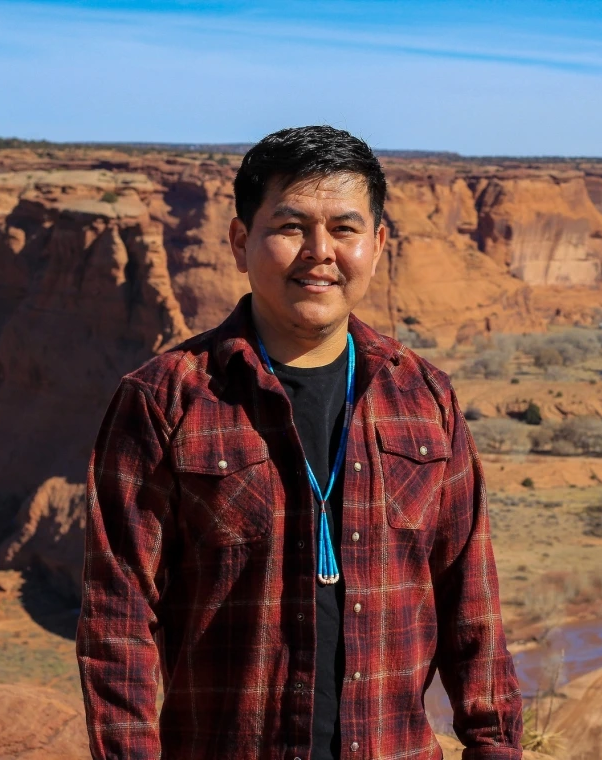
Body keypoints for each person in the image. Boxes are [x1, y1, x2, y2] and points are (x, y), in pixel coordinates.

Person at [76, 126, 523, 760]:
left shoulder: (426, 398)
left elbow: (470, 605)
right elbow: (117, 622)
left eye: (345, 229)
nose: (320, 252)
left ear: (378, 243)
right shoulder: (163, 400)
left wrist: (495, 748)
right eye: (290, 227)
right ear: (240, 241)